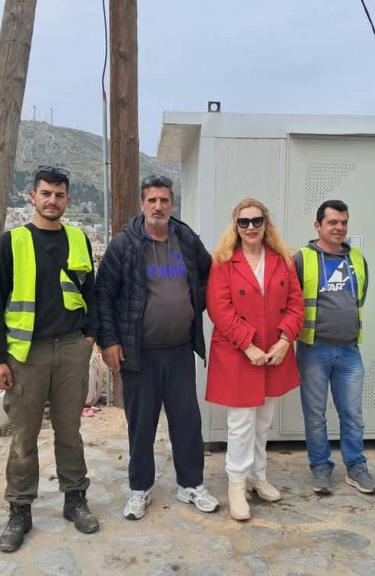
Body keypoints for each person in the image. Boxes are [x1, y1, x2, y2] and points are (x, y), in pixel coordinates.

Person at [0, 166, 100, 553]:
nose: (53, 200)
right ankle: (20, 509)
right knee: (23, 436)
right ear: (32, 196)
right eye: (46, 193)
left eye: (60, 194)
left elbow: (91, 291)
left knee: (70, 432)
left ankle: (75, 499)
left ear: (67, 199)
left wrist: (90, 336)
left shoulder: (78, 239)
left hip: (71, 349)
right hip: (26, 355)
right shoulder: (11, 242)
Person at [96, 174, 219, 520]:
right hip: (139, 353)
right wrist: (109, 341)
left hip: (180, 349)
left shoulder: (186, 238)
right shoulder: (125, 244)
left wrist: (194, 306)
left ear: (172, 204)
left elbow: (209, 273)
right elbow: (103, 294)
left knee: (186, 421)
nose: (158, 206)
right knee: (142, 424)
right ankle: (140, 488)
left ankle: (191, 484)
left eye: (164, 200)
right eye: (152, 200)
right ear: (142, 204)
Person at [205, 198, 303, 521]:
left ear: (266, 224)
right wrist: (248, 345)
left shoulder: (282, 261)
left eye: (256, 221)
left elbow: (295, 304)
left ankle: (257, 477)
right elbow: (220, 309)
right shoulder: (223, 262)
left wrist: (286, 339)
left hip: (272, 354)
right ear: (236, 226)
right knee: (241, 424)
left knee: (263, 422)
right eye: (244, 222)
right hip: (239, 355)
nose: (250, 227)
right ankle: (236, 485)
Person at [294, 199, 375, 496]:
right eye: (332, 222)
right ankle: (320, 467)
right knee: (315, 414)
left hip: (348, 351)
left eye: (343, 222)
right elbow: (292, 303)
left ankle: (356, 467)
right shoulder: (302, 258)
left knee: (353, 413)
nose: (339, 227)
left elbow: (360, 298)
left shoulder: (357, 258)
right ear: (318, 226)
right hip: (313, 350)